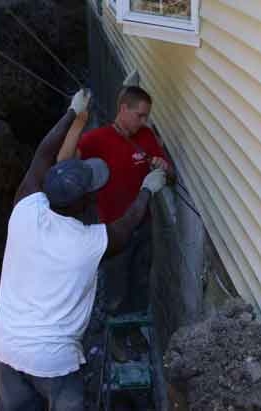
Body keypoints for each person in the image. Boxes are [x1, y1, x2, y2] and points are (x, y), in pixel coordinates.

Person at [0, 89, 167, 411]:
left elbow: (42, 156)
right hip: (53, 360)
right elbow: (126, 228)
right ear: (85, 201)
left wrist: (73, 114)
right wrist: (146, 191)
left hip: (6, 347)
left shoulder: (26, 211)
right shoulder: (87, 244)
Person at [57, 85, 173, 361]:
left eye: (146, 116)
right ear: (123, 109)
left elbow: (170, 174)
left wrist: (164, 168)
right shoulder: (98, 139)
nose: (144, 122)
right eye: (140, 115)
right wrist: (77, 119)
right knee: (117, 288)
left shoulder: (145, 137)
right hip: (112, 232)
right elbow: (63, 161)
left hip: (143, 226)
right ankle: (117, 339)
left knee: (140, 283)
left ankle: (132, 332)